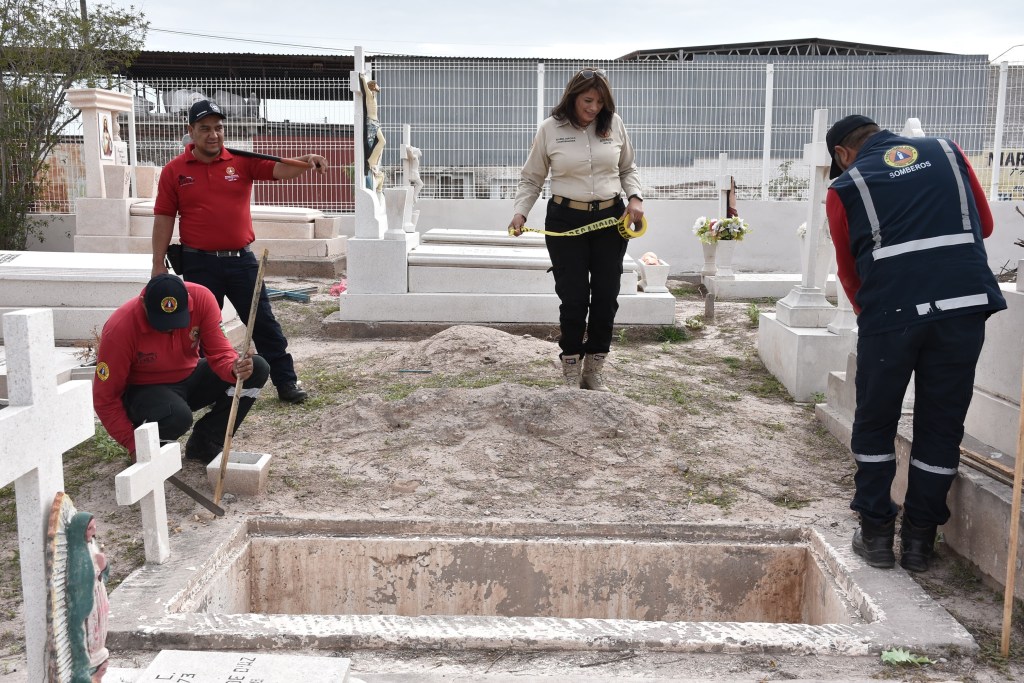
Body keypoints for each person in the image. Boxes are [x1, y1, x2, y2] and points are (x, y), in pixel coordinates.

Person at [825, 114, 1007, 573]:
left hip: (891, 313)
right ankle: (920, 543)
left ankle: (877, 534)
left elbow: (850, 270)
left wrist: (875, 318)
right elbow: (982, 225)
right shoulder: (948, 150)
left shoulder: (845, 187)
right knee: (941, 424)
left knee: (876, 420)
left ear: (842, 155)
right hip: (963, 305)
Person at [150, 98, 328, 404]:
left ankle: (286, 382)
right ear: (191, 131)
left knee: (264, 324)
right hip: (198, 262)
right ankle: (216, 387)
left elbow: (279, 169)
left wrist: (307, 159)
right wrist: (157, 264)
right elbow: (164, 218)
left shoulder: (240, 161)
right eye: (204, 128)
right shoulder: (174, 171)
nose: (213, 135)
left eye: (218, 128)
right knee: (203, 330)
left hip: (241, 261)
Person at [508, 68, 644, 391]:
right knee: (573, 297)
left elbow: (628, 167)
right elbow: (532, 178)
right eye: (588, 100)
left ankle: (594, 369)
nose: (594, 107)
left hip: (610, 222)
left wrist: (635, 198)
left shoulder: (614, 125)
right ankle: (571, 365)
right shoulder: (550, 130)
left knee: (606, 295)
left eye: (600, 101)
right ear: (572, 97)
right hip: (566, 221)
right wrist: (520, 212)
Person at [92, 274, 271, 464]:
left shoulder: (202, 299)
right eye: (161, 323)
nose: (169, 330)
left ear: (188, 302)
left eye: (177, 321)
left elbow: (220, 352)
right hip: (145, 390)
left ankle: (205, 441)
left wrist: (233, 368)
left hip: (189, 376)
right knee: (177, 416)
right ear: (143, 303)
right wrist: (133, 444)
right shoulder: (120, 329)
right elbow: (105, 398)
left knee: (257, 369)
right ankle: (152, 451)